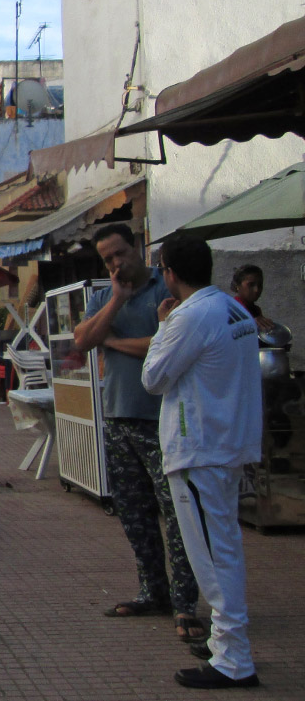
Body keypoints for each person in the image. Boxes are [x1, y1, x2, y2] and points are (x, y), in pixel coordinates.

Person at [142, 234, 262, 689]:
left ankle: (234, 659)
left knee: (213, 558)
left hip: (200, 451)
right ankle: (224, 643)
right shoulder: (235, 311)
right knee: (224, 547)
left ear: (170, 272)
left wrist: (162, 327)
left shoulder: (189, 316)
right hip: (226, 444)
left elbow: (153, 377)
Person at [73, 223, 201, 642]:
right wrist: (115, 300)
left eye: (119, 254)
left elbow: (163, 346)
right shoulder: (103, 297)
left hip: (162, 423)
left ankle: (186, 605)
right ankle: (154, 592)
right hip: (118, 418)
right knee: (135, 515)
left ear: (138, 248)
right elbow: (82, 342)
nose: (115, 263)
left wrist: (113, 342)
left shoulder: (166, 294)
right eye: (107, 259)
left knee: (177, 516)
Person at [231, 264, 276, 333]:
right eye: (251, 285)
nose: (256, 290)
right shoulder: (232, 309)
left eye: (260, 285)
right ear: (237, 285)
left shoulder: (255, 310)